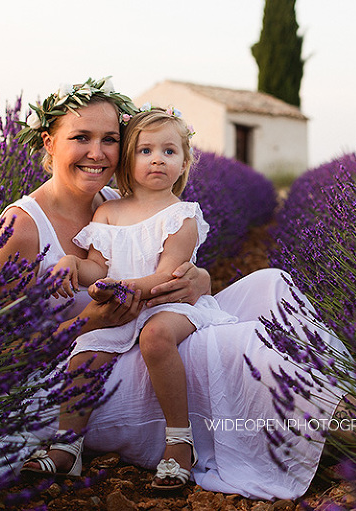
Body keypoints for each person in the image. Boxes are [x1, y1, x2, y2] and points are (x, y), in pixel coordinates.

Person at [0, 77, 350, 500]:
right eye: (80, 137)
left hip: (139, 332)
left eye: (110, 139)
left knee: (270, 285)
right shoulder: (22, 227)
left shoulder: (112, 201)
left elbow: (157, 258)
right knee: (238, 347)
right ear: (49, 142)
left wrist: (199, 279)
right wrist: (87, 322)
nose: (97, 152)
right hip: (75, 377)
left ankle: (338, 408)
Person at [22, 106, 237, 489]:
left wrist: (119, 290)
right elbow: (97, 268)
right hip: (121, 308)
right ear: (128, 161)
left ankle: (178, 442)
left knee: (155, 338)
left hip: (169, 306)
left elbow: (167, 276)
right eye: (145, 151)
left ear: (185, 162)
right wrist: (71, 263)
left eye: (169, 152)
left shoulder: (181, 215)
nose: (157, 159)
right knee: (85, 351)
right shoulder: (108, 210)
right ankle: (68, 446)